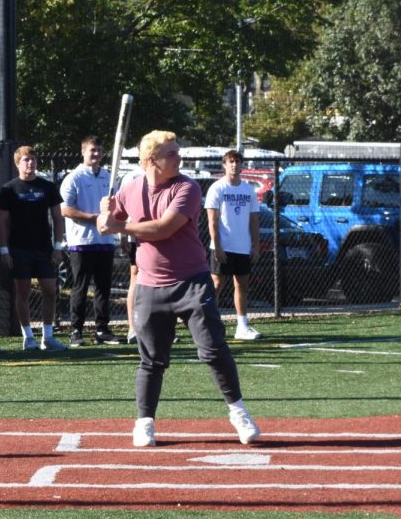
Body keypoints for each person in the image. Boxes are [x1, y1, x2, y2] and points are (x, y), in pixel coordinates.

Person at [98, 130, 261, 448]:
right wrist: (104, 214)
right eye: (171, 153)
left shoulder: (187, 187)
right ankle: (144, 422)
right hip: (149, 287)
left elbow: (162, 229)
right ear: (150, 161)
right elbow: (112, 220)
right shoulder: (130, 188)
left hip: (192, 283)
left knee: (213, 349)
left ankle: (238, 412)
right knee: (151, 360)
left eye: (177, 151)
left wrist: (116, 224)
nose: (179, 157)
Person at [0, 145, 67, 351]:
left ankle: (48, 336)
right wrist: (4, 251)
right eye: (26, 160)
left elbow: (57, 217)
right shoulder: (9, 189)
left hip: (44, 249)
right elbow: (1, 222)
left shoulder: (47, 186)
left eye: (33, 160)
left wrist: (58, 247)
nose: (31, 163)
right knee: (23, 292)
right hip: (18, 249)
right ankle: (28, 336)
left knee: (50, 290)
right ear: (18, 163)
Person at [60, 136, 120, 347]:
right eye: (92, 150)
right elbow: (65, 209)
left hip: (105, 241)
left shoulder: (108, 177)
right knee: (81, 287)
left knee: (104, 287)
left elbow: (118, 206)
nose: (96, 154)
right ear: (83, 151)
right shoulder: (73, 177)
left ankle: (102, 329)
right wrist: (94, 218)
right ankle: (76, 330)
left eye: (99, 150)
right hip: (82, 242)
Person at [205, 149, 262, 340]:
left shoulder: (248, 189)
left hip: (243, 247)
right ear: (224, 165)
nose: (234, 165)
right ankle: (209, 325)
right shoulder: (217, 188)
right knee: (216, 285)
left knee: (242, 286)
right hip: (222, 247)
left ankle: (242, 327)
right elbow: (212, 221)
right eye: (231, 162)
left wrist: (255, 246)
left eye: (238, 161)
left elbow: (254, 220)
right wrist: (218, 246)